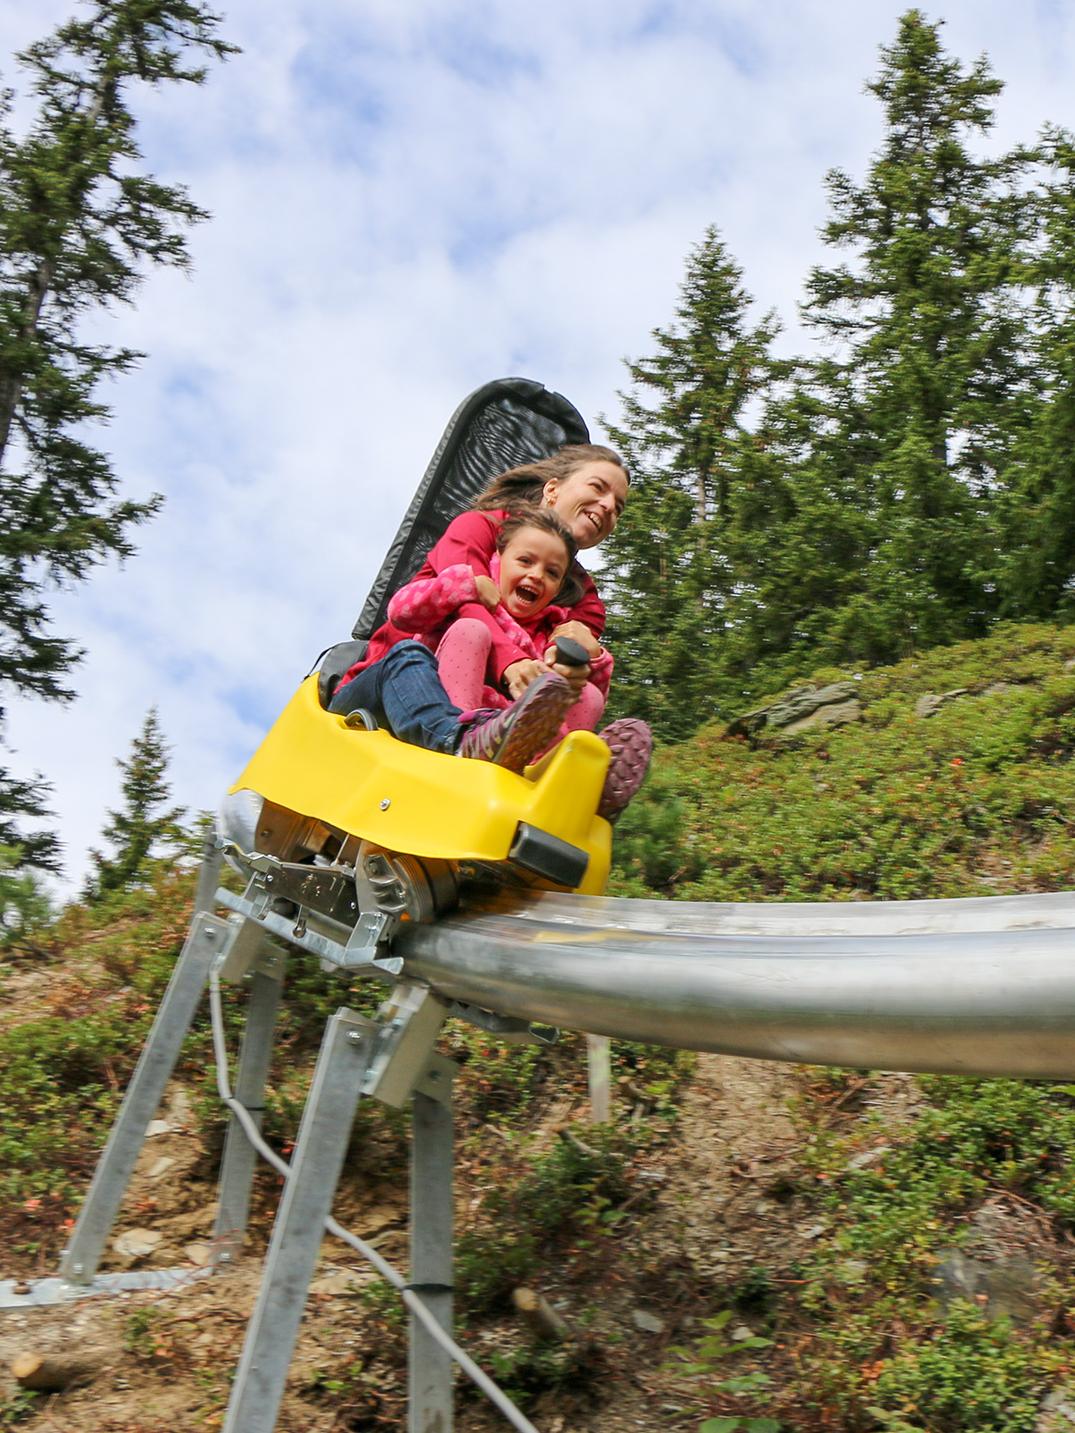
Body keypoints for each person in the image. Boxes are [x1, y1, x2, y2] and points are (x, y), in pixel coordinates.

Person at [330, 445, 650, 817]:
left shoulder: (583, 598)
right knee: (456, 636)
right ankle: (457, 742)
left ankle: (555, 780)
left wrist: (580, 664)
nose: (609, 506)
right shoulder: (480, 528)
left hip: (495, 720)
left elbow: (569, 668)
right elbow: (462, 601)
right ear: (553, 490)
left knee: (588, 695)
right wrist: (512, 663)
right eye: (598, 487)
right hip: (390, 691)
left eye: (619, 507)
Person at [386, 506, 613, 736]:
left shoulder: (549, 633)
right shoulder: (468, 595)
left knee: (589, 694)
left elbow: (585, 696)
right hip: (438, 709)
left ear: (557, 590)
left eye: (552, 573)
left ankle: (560, 758)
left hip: (505, 735)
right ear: (499, 557)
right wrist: (463, 584)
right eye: (525, 561)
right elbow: (400, 611)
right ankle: (459, 734)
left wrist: (593, 659)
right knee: (471, 629)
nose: (537, 575)